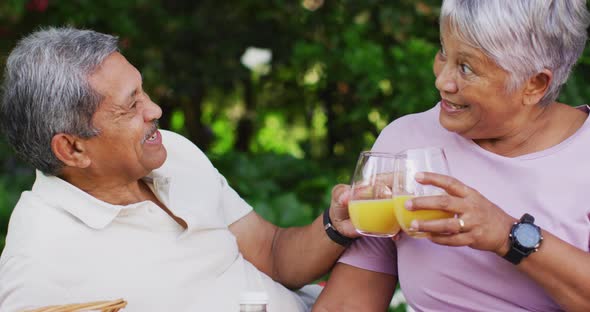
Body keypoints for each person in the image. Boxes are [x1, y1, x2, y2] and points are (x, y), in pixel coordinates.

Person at [0, 27, 359, 312]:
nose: (154, 109)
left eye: (143, 91)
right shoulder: (39, 263)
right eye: (131, 105)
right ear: (73, 148)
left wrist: (336, 224)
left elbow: (273, 254)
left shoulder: (172, 152)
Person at [314, 0, 590, 311]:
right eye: (444, 52)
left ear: (535, 84)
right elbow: (348, 302)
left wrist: (506, 235)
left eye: (466, 67)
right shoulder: (406, 143)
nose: (442, 81)